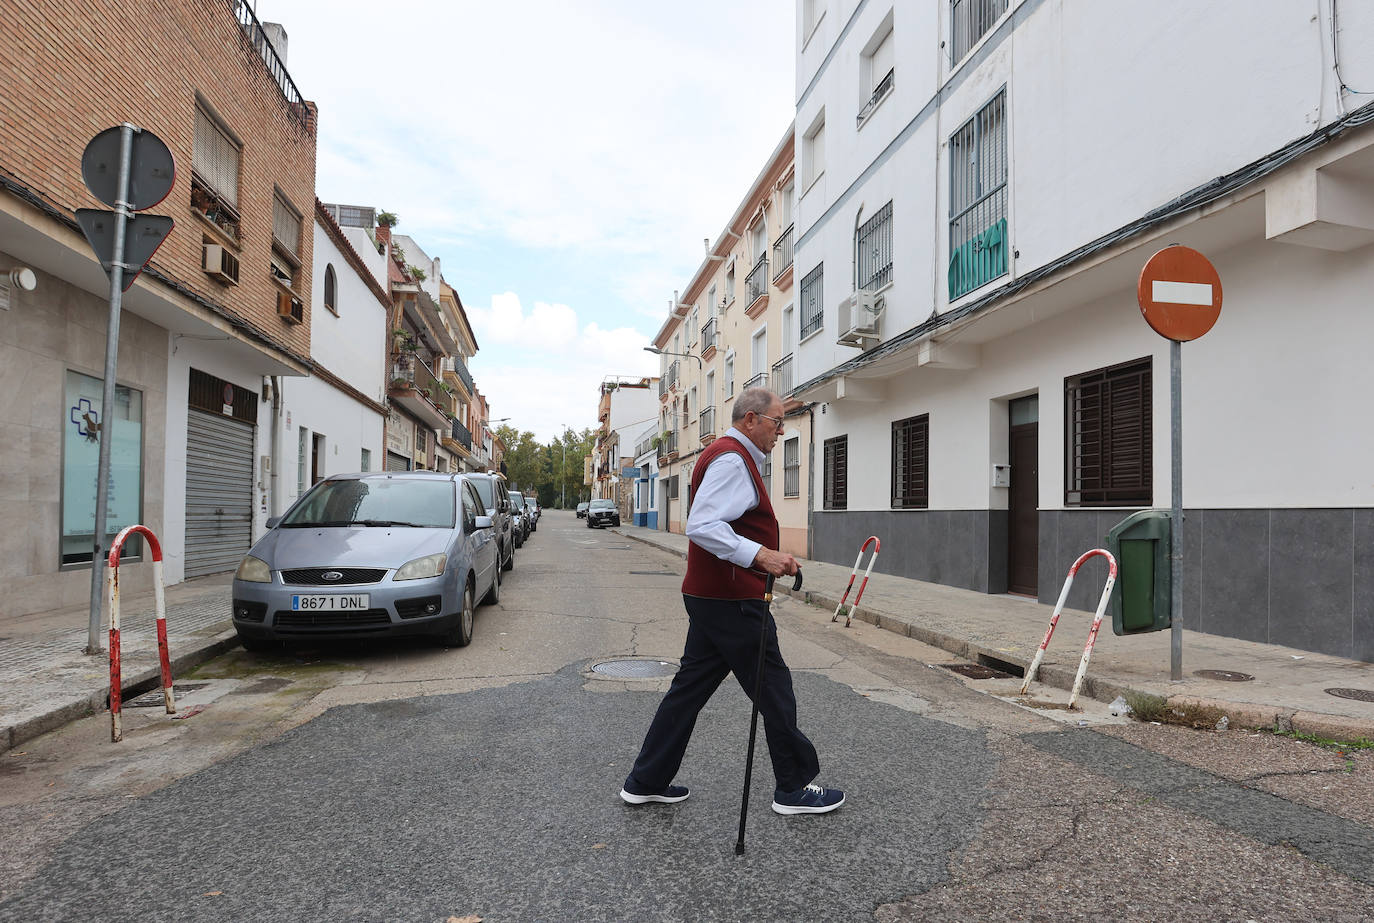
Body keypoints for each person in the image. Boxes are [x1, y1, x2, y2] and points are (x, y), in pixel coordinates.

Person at [619, 387, 845, 815]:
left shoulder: (727, 454)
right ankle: (792, 788)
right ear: (751, 420)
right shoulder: (730, 458)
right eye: (777, 422)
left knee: (688, 691)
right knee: (774, 690)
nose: (781, 431)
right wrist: (761, 555)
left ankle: (644, 780)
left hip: (711, 595)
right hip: (731, 598)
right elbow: (702, 524)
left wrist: (767, 556)